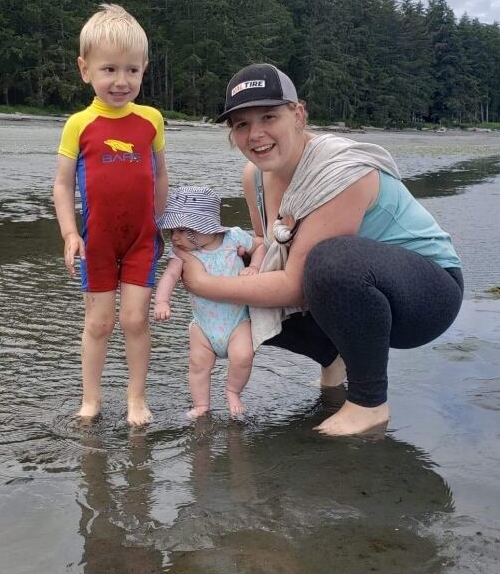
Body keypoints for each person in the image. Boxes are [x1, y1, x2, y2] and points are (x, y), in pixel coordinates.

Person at [175, 63, 464, 436]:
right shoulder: (255, 177)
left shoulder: (342, 172)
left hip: (427, 298)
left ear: (298, 114)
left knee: (330, 263)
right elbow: (266, 242)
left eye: (268, 116)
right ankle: (334, 357)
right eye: (241, 124)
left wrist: (203, 284)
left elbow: (297, 284)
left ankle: (369, 402)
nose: (256, 134)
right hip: (361, 299)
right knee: (242, 275)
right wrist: (229, 262)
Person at [53, 4, 168, 426]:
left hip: (141, 239)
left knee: (135, 318)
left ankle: (137, 400)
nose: (122, 81)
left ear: (144, 70)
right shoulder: (78, 124)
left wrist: (163, 225)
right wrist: (70, 234)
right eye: (109, 70)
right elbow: (63, 185)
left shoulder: (151, 121)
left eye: (132, 71)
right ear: (85, 70)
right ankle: (91, 399)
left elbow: (159, 178)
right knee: (99, 323)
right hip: (97, 239)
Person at [153, 186, 266, 418]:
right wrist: (162, 301)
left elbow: (261, 246)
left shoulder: (233, 238)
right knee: (197, 365)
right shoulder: (182, 252)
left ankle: (233, 391)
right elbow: (171, 276)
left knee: (243, 356)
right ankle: (201, 404)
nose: (175, 237)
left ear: (204, 227)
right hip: (203, 325)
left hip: (237, 320)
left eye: (183, 230)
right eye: (173, 230)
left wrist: (254, 266)